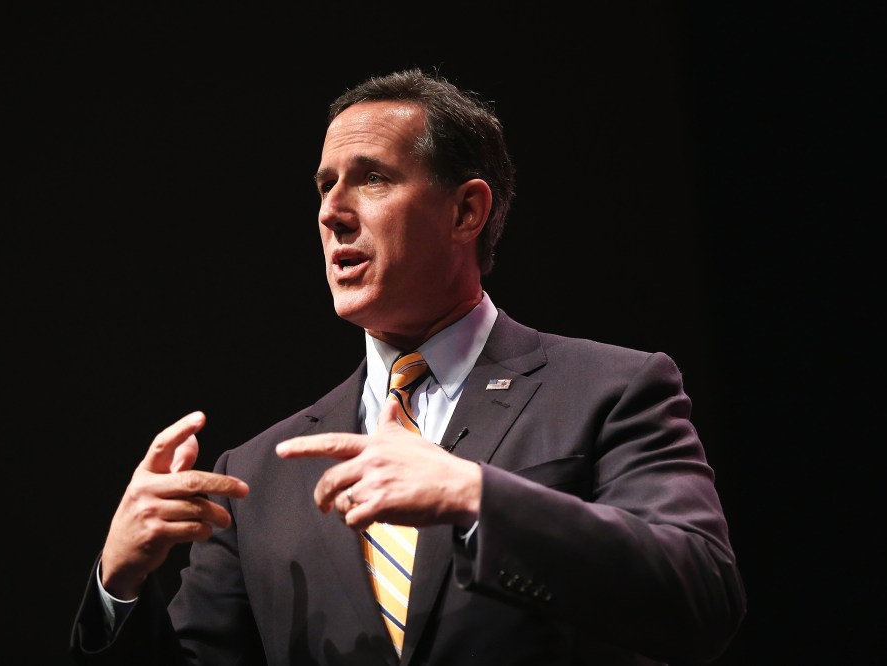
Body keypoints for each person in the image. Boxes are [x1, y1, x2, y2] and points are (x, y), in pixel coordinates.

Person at [71, 67, 746, 666]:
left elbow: (701, 599)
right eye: (324, 185)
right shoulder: (256, 479)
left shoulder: (609, 391)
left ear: (465, 210)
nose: (332, 212)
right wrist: (119, 584)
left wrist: (476, 496)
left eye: (371, 177)